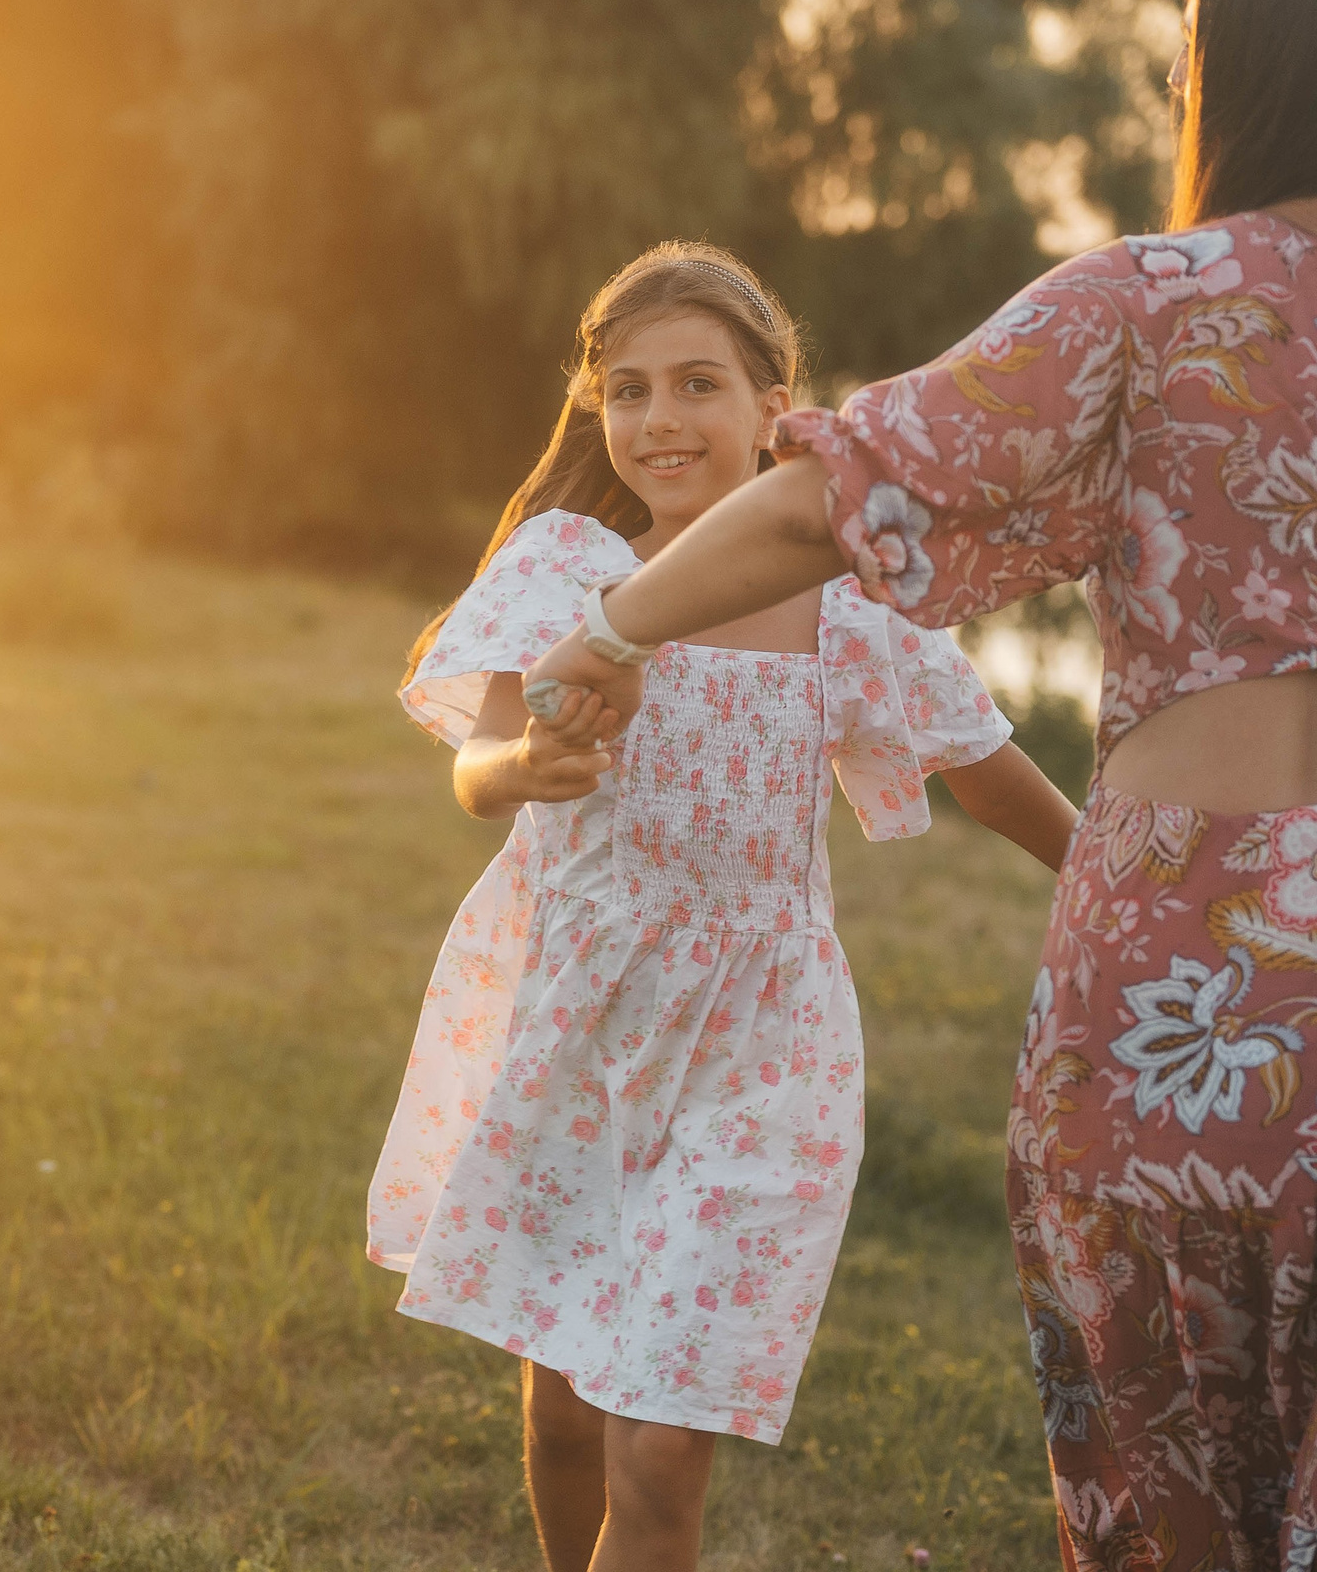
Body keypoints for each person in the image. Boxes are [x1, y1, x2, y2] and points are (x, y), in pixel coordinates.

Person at [520, 0, 1317, 1566]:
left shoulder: (1149, 301)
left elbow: (835, 497)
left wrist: (606, 630)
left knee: (1174, 1483)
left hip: (1180, 962)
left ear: (1222, 65)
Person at [372, 242, 1075, 1572]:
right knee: (567, 1416)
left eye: (699, 383)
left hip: (765, 1057)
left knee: (657, 1457)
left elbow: (986, 770)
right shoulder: (563, 570)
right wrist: (522, 768)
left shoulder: (845, 603)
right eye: (629, 390)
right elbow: (478, 765)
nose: (662, 418)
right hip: (582, 1034)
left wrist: (1127, 884)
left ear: (774, 409)